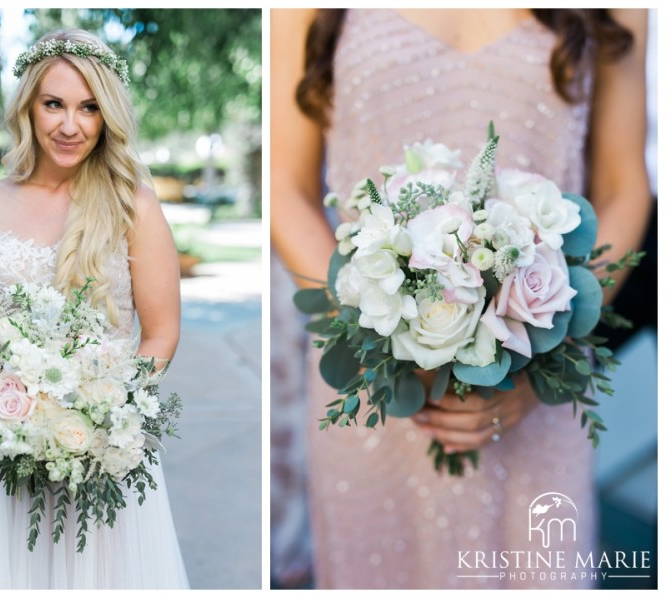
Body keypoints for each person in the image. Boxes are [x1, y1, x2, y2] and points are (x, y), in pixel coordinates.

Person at [271, 8, 650, 589]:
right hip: (375, 398)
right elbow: (286, 189)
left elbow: (624, 188)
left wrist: (541, 360)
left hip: (536, 387)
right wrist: (378, 339)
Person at [0, 29, 188, 589]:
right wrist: (6, 415)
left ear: (108, 117)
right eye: (54, 104)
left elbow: (162, 332)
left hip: (105, 452)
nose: (70, 125)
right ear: (28, 106)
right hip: (2, 449)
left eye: (89, 108)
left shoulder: (134, 207)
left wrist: (104, 420)